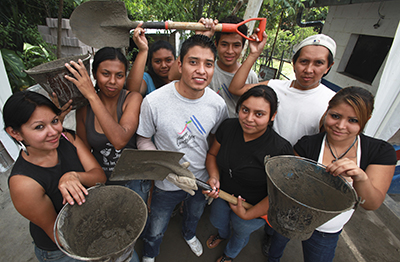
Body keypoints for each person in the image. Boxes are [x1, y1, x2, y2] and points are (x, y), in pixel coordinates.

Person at [229, 33, 337, 255]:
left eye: (318, 63)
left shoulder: (332, 101)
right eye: (303, 61)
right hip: (261, 165)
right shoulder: (276, 86)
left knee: (283, 222)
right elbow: (236, 88)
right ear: (293, 62)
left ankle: (272, 242)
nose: (309, 69)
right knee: (258, 207)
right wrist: (254, 54)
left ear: (329, 67)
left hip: (296, 175)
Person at [268, 86, 397, 262]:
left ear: (367, 120)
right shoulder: (307, 145)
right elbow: (289, 184)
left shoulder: (380, 151)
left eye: (353, 120)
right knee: (276, 245)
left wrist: (360, 177)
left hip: (327, 231)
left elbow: (371, 203)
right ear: (326, 112)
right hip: (292, 215)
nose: (340, 126)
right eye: (335, 116)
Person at [137, 34, 228, 262]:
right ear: (180, 64)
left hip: (200, 179)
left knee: (194, 215)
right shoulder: (154, 101)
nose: (201, 70)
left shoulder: (217, 104)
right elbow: (143, 139)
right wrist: (165, 166)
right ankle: (150, 253)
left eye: (208, 64)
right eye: (193, 62)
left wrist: (213, 176)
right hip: (166, 181)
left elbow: (215, 144)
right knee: (157, 225)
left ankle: (188, 235)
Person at [3, 91, 107, 262]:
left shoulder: (67, 138)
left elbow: (99, 177)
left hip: (92, 225)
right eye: (39, 127)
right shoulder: (23, 183)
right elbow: (58, 234)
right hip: (61, 250)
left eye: (54, 121)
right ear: (15, 133)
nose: (53, 131)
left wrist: (73, 176)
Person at [204, 85, 293, 262]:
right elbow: (212, 154)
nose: (249, 119)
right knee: (217, 220)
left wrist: (247, 214)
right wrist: (214, 176)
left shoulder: (280, 148)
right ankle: (222, 234)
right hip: (223, 195)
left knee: (241, 230)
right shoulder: (228, 127)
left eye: (259, 114)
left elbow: (279, 194)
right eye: (245, 110)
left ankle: (230, 254)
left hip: (254, 207)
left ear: (272, 116)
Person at [64, 26, 151, 202]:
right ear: (94, 74)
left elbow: (119, 141)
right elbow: (84, 152)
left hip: (134, 181)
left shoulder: (132, 99)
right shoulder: (84, 109)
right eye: (105, 74)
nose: (112, 81)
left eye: (119, 75)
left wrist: (90, 95)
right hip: (102, 183)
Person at [169, 15, 259, 117]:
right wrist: (201, 38)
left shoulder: (250, 76)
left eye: (236, 45)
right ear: (216, 44)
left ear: (243, 47)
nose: (230, 51)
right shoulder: (205, 70)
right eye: (224, 44)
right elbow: (172, 76)